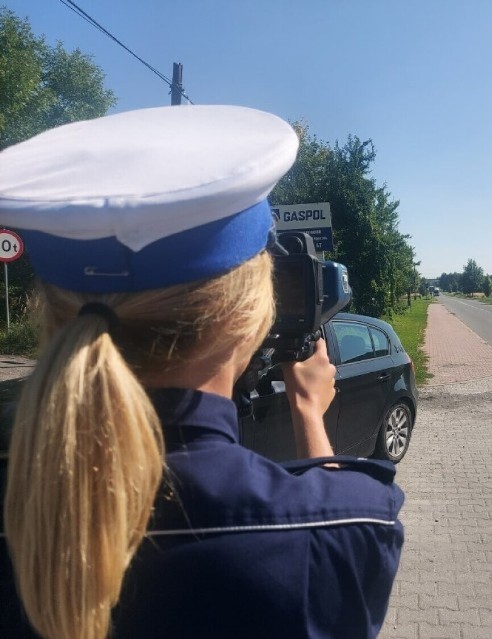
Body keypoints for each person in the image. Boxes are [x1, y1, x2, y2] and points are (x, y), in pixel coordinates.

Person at [0, 105, 404, 638]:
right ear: (246, 318)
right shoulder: (349, 522)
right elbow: (330, 534)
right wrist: (309, 414)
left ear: (51, 310)